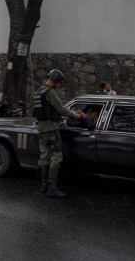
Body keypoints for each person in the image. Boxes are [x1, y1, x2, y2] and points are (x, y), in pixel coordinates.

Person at [32, 69, 83, 198]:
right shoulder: (50, 92)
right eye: (58, 82)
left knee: (44, 157)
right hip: (52, 129)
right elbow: (60, 109)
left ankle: (44, 186)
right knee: (56, 157)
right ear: (54, 80)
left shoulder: (37, 92)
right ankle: (52, 189)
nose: (58, 85)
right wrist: (74, 115)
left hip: (41, 128)